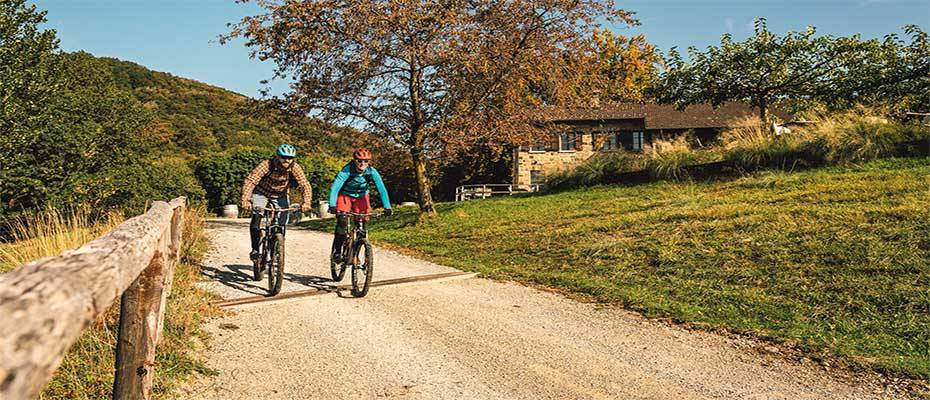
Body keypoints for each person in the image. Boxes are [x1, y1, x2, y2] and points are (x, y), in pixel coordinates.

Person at [241, 144, 313, 263]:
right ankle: (255, 250)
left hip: (280, 195)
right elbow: (251, 181)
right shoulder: (266, 165)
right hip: (261, 193)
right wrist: (245, 199)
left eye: (290, 158)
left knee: (282, 222)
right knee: (256, 219)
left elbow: (305, 184)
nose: (286, 160)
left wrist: (306, 202)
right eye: (283, 157)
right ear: (277, 156)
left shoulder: (295, 168)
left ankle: (278, 245)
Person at [327, 148, 392, 262]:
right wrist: (332, 205)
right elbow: (335, 187)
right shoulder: (347, 170)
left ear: (369, 162)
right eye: (359, 160)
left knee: (362, 224)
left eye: (366, 161)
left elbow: (381, 189)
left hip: (362, 197)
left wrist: (387, 207)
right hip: (345, 196)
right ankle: (337, 252)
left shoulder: (372, 172)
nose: (362, 163)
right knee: (342, 220)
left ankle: (356, 254)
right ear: (354, 160)